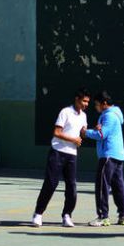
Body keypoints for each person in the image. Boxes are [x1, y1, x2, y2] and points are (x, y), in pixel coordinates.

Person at [31, 88, 90, 228]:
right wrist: (73, 140)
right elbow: (57, 132)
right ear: (77, 99)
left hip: (72, 155)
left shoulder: (84, 116)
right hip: (57, 152)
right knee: (51, 183)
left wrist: (89, 132)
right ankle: (38, 214)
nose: (86, 104)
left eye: (88, 101)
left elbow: (82, 134)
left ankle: (67, 215)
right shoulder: (65, 112)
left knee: (71, 186)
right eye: (84, 101)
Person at [84, 90, 124, 227]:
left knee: (102, 185)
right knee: (118, 186)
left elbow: (101, 134)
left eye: (97, 104)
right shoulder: (114, 115)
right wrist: (98, 129)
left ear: (104, 104)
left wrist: (85, 132)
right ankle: (123, 215)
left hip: (108, 155)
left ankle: (103, 216)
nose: (95, 107)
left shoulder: (108, 116)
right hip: (118, 155)